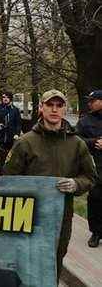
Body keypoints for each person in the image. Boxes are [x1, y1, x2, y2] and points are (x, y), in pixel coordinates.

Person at [4, 89, 96, 279]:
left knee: (54, 260)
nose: (54, 109)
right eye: (49, 105)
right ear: (41, 108)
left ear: (65, 109)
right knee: (25, 261)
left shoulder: (77, 144)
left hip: (61, 216)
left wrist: (76, 184)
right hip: (28, 215)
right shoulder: (26, 142)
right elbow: (8, 179)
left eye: (59, 105)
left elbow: (90, 177)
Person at [76, 89, 102, 248]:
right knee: (95, 199)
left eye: (93, 101)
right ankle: (96, 232)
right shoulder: (85, 121)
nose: (89, 104)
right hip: (95, 167)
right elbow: (76, 140)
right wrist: (94, 142)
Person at [0, 91, 22, 173]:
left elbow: (18, 124)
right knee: (1, 158)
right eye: (4, 97)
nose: (5, 99)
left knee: (11, 159)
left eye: (7, 97)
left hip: (11, 138)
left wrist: (17, 134)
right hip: (0, 138)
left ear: (10, 99)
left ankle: (9, 175)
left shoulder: (15, 110)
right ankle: (1, 176)